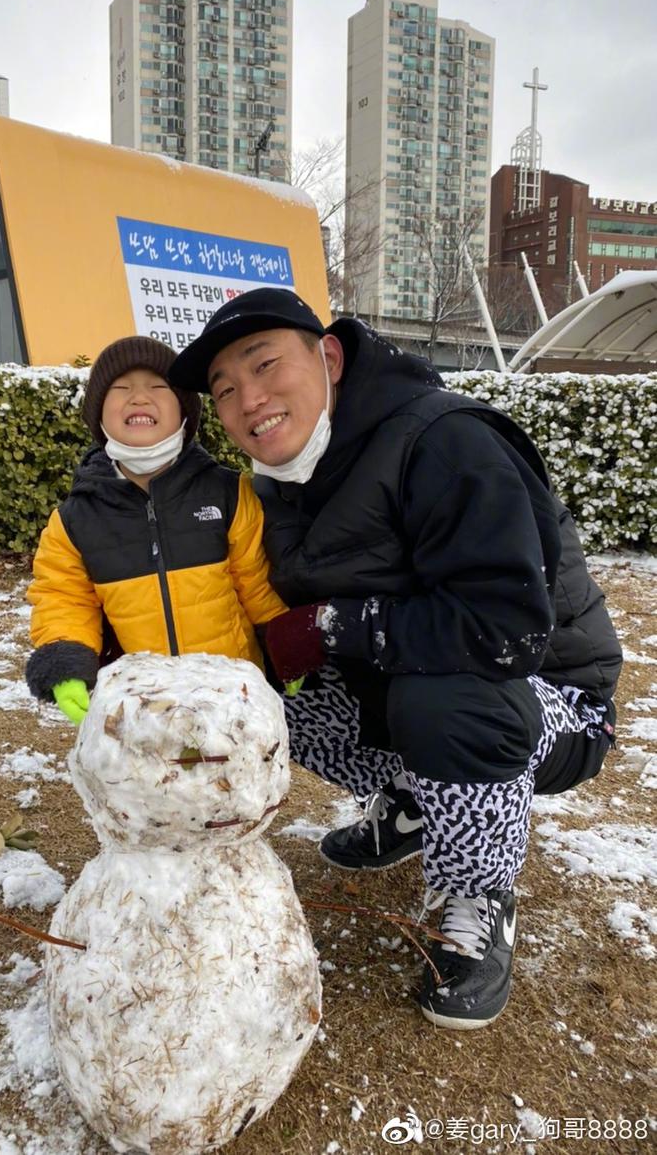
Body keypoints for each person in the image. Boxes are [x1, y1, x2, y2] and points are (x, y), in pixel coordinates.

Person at [168, 288, 622, 1030]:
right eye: (224, 390)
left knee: (443, 699)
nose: (249, 399)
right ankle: (417, 802)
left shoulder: (445, 440)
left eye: (264, 364)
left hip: (548, 701)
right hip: (416, 685)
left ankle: (477, 891)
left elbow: (505, 632)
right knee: (257, 702)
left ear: (331, 356)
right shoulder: (279, 485)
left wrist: (337, 625)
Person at [26, 335, 287, 724]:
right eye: (121, 389)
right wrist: (64, 660)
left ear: (184, 412)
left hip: (232, 695)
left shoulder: (228, 493)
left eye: (157, 387)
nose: (138, 397)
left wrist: (284, 641)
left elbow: (257, 582)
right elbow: (64, 597)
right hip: (142, 706)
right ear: (98, 414)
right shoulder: (75, 521)